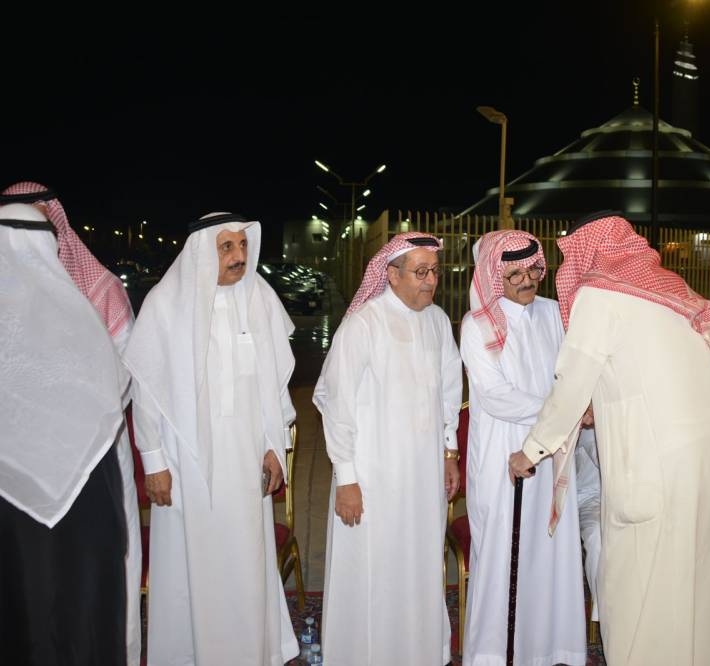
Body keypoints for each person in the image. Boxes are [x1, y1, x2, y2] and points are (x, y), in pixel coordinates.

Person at [508, 212, 710, 666]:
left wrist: (532, 449)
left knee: (638, 584)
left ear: (589, 248)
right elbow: (646, 369)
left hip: (658, 459)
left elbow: (573, 380)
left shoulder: (601, 293)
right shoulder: (668, 290)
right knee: (700, 573)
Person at [123, 212, 298, 665]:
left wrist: (275, 446)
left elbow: (274, 385)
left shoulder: (259, 297)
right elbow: (147, 390)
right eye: (227, 247)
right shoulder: (167, 304)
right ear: (203, 252)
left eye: (242, 245)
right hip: (187, 464)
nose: (239, 256)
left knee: (246, 563)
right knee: (192, 568)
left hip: (246, 460)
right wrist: (154, 461)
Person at [0, 181, 143, 666]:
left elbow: (122, 382)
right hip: (64, 496)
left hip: (76, 471)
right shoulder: (72, 320)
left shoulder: (94, 296)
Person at [313, 231, 462, 666]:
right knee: (373, 570)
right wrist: (346, 479)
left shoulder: (437, 321)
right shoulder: (364, 325)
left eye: (434, 271)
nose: (431, 280)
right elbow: (336, 404)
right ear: (392, 275)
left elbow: (449, 391)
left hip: (423, 478)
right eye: (420, 272)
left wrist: (449, 452)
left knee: (419, 565)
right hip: (372, 478)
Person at [459, 229, 587, 665]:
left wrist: (570, 410)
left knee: (551, 550)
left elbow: (574, 374)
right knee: (502, 555)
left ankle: (550, 649)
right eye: (515, 274)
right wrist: (561, 411)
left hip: (553, 452)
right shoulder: (477, 325)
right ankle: (494, 655)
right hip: (503, 454)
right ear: (494, 276)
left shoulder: (553, 313)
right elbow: (496, 396)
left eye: (533, 269)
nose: (528, 280)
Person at [574, 426, 601, 623]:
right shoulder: (590, 423)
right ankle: (609, 619)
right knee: (598, 536)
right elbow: (607, 460)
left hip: (627, 495)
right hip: (590, 497)